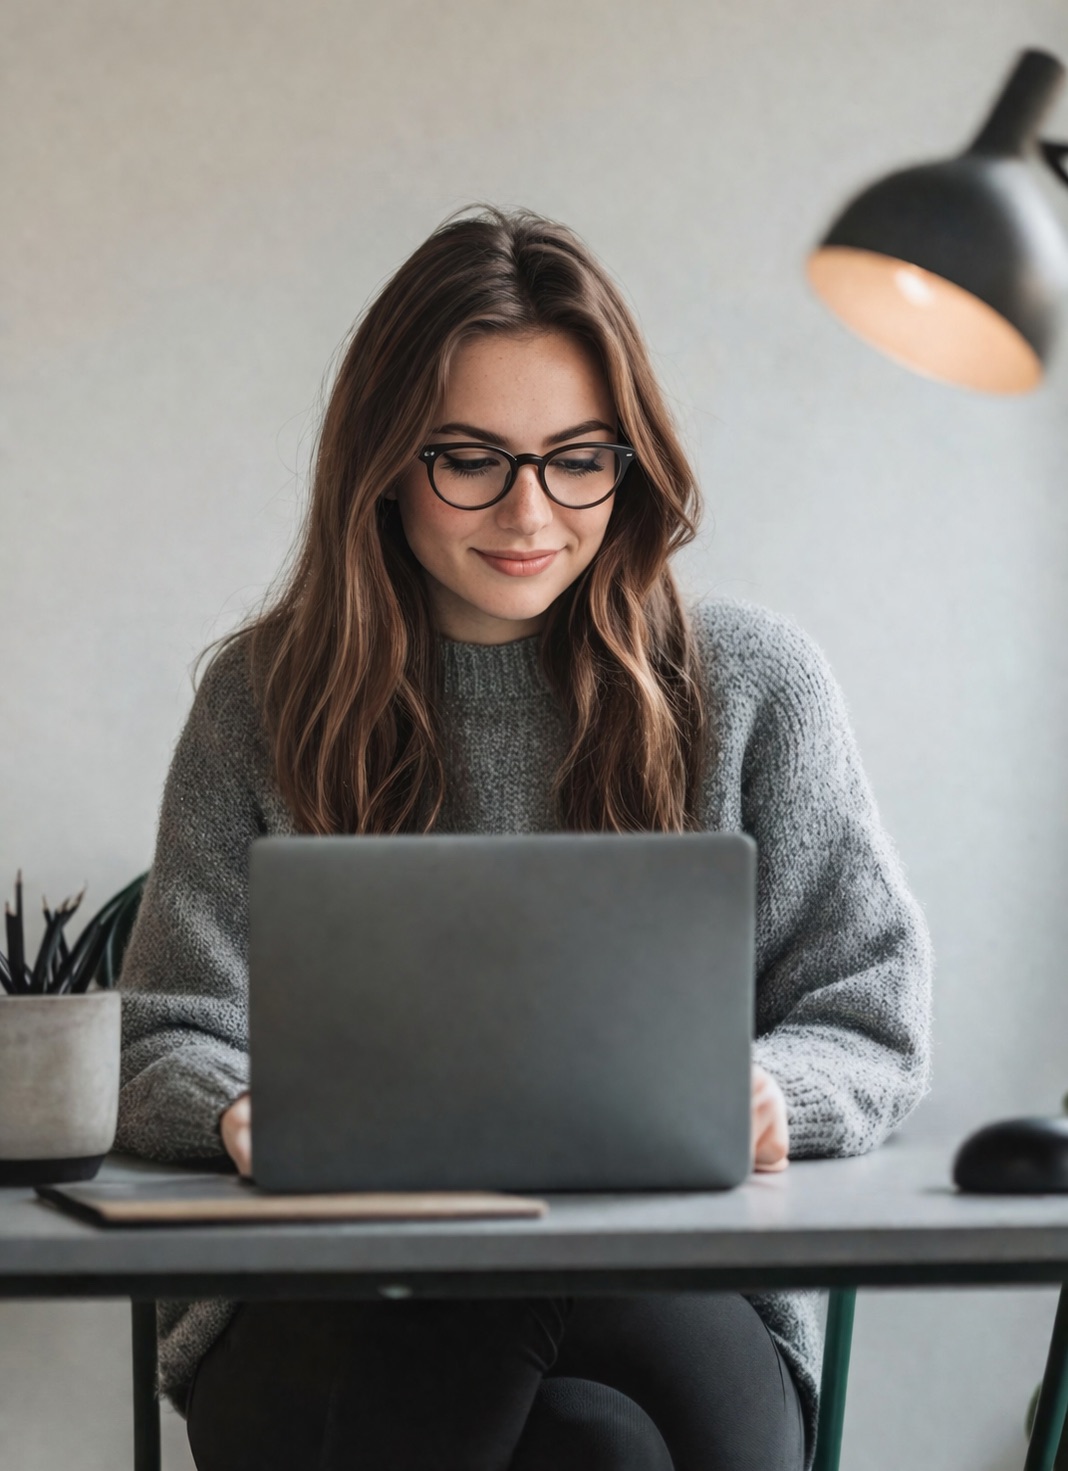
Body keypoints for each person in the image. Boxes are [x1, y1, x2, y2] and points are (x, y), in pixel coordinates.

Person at [115, 202, 933, 1471]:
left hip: (676, 1290)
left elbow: (867, 1006)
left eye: (576, 457)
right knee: (585, 1443)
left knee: (548, 1340)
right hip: (325, 1303)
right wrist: (235, 1110)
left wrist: (776, 1090)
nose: (530, 510)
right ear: (385, 461)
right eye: (471, 458)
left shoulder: (756, 685)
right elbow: (169, 1029)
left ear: (630, 459)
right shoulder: (262, 701)